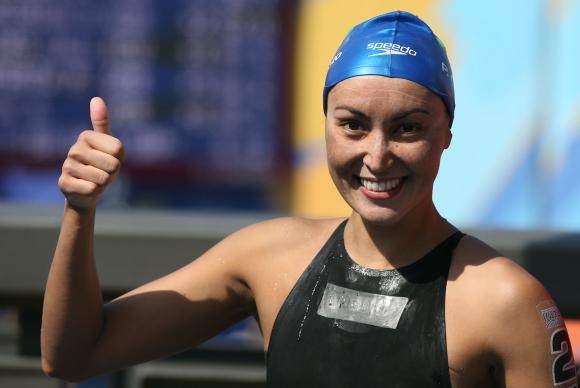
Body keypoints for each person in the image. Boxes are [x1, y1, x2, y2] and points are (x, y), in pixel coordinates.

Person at [41, 10, 577, 387]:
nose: (377, 155)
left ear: (446, 134)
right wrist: (79, 213)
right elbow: (74, 354)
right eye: (353, 125)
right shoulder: (270, 257)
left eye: (408, 129)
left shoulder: (506, 302)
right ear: (325, 126)